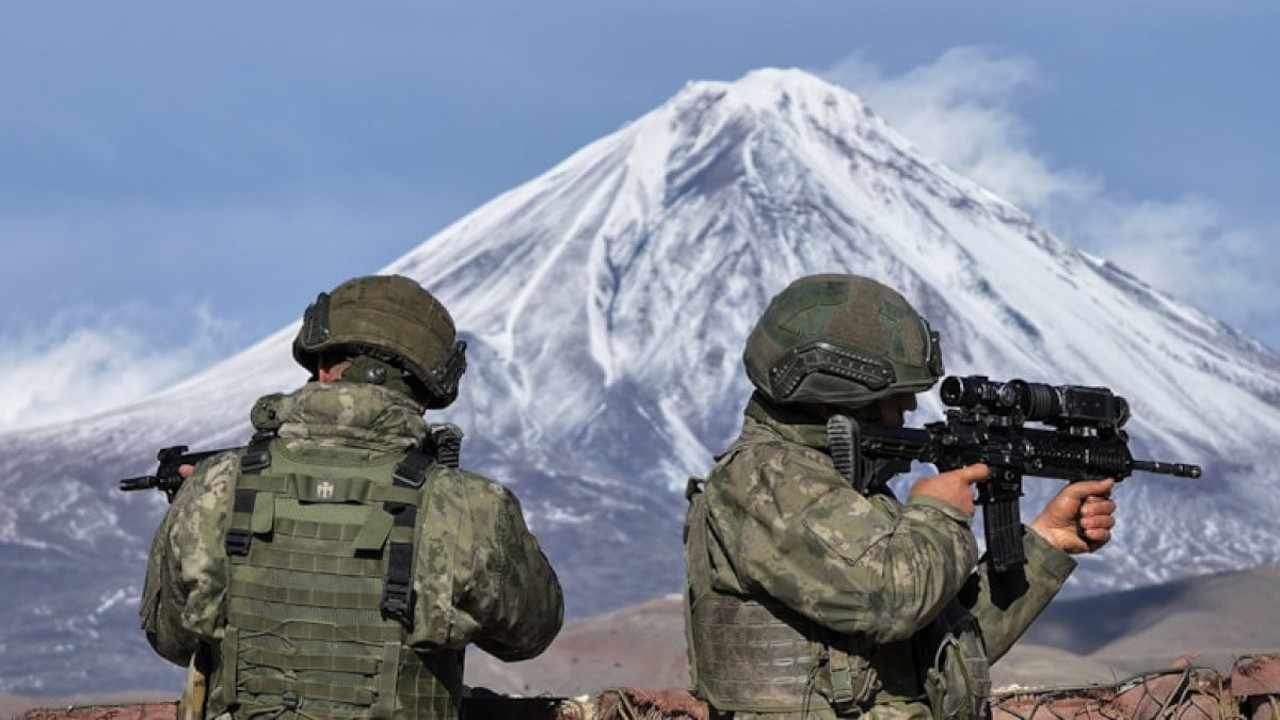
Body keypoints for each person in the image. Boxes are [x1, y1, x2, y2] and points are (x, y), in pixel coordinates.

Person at [683, 274, 1116, 720]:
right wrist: (938, 512)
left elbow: (947, 653)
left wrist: (1047, 542)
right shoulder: (766, 478)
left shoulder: (843, 483)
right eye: (895, 394)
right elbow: (891, 603)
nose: (910, 406)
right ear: (838, 389)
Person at [140, 275, 563, 720]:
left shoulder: (215, 487)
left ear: (321, 366)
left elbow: (171, 639)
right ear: (426, 394)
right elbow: (529, 635)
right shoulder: (470, 506)